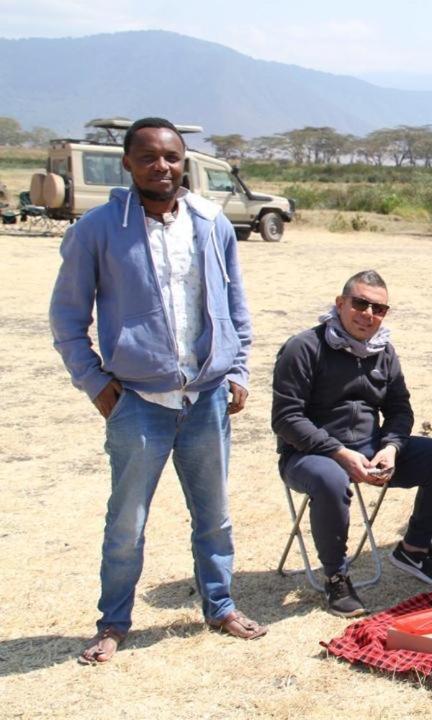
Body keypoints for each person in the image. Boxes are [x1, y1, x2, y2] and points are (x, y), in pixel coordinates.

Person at [49, 117, 266, 665]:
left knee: (214, 516)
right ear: (127, 164)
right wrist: (95, 382)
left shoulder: (211, 223)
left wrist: (237, 370)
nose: (161, 166)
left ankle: (219, 605)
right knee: (127, 522)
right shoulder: (97, 229)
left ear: (183, 160)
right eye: (148, 157)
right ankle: (113, 623)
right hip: (138, 404)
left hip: (207, 399)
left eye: (171, 156)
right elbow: (67, 318)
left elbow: (235, 304)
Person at [271, 270, 432, 617]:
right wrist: (339, 453)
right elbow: (286, 419)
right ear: (340, 303)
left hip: (371, 448)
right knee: (331, 477)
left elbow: (400, 409)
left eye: (379, 308)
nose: (369, 315)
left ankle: (414, 549)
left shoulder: (383, 351)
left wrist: (391, 447)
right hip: (308, 455)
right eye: (360, 304)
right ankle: (336, 577)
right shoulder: (304, 347)